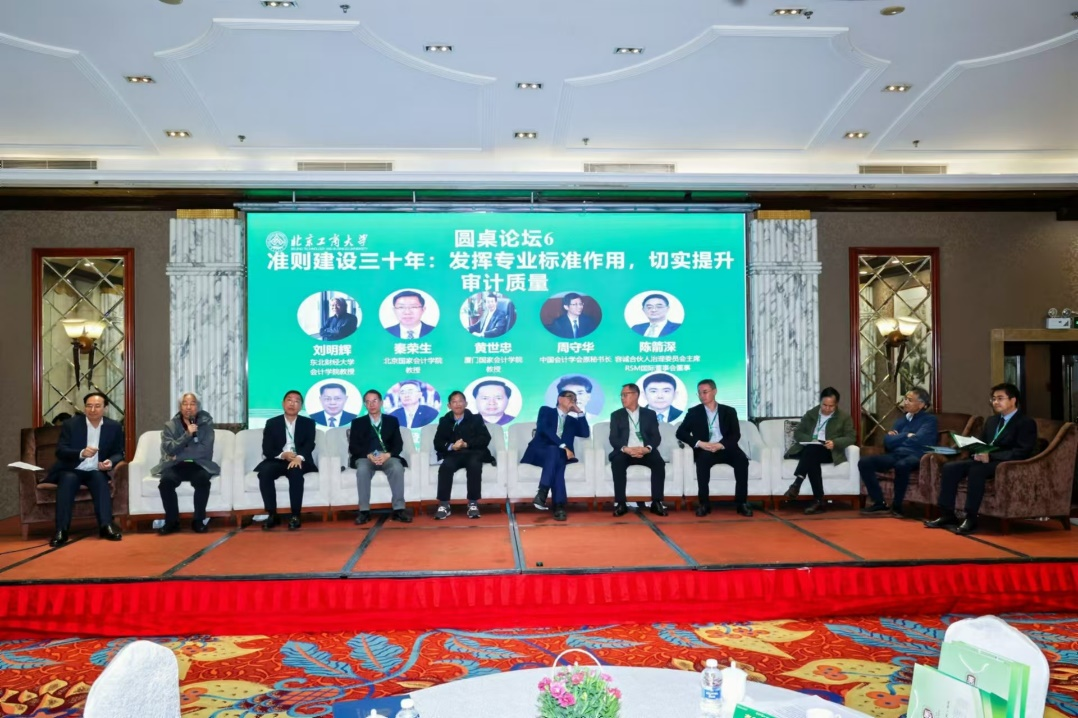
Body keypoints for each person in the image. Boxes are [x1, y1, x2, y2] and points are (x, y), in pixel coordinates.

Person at [925, 383, 1038, 535]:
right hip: (985, 459)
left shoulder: (1025, 422)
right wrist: (975, 448)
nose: (995, 402)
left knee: (976, 471)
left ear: (1013, 400)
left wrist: (991, 456)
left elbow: (1021, 452)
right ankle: (947, 514)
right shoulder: (992, 421)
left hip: (1005, 463)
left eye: (1000, 398)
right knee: (950, 468)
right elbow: (983, 443)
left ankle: (971, 518)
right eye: (993, 399)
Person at [46, 391, 124, 547]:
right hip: (72, 468)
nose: (92, 410)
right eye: (89, 406)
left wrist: (110, 462)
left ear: (105, 408)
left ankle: (106, 526)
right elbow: (60, 451)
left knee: (100, 481)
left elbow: (118, 452)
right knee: (67, 480)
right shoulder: (71, 424)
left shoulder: (114, 427)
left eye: (97, 406)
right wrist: (81, 453)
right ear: (84, 408)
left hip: (95, 469)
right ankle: (62, 530)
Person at [676, 379, 753, 517]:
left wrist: (720, 445)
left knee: (742, 461)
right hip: (705, 449)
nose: (702, 396)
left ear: (714, 391)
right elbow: (680, 432)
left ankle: (741, 503)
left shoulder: (729, 411)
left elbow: (735, 434)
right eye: (699, 393)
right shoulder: (694, 412)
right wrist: (700, 443)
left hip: (726, 447)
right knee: (702, 463)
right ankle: (704, 504)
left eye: (705, 392)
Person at [858, 387, 938, 517]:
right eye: (905, 399)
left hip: (916, 455)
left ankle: (897, 506)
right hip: (896, 454)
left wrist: (897, 438)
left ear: (921, 404)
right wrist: (906, 435)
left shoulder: (929, 420)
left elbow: (920, 441)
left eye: (910, 400)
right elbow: (887, 442)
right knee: (865, 462)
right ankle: (879, 502)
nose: (905, 402)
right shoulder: (901, 421)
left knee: (902, 465)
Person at [780, 387, 856, 514]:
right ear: (820, 402)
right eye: (824, 405)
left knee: (811, 453)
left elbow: (851, 437)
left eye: (831, 406)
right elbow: (798, 433)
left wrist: (835, 443)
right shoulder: (811, 414)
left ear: (836, 404)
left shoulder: (844, 417)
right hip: (809, 447)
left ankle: (797, 484)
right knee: (812, 453)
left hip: (829, 450)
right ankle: (818, 500)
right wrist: (811, 440)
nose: (827, 409)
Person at [153, 392, 219, 535]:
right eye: (185, 404)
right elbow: (169, 448)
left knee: (203, 480)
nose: (188, 407)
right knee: (166, 482)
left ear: (198, 406)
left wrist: (178, 455)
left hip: (199, 464)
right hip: (176, 465)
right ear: (180, 406)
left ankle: (198, 521)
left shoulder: (206, 424)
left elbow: (205, 450)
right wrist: (187, 435)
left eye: (192, 404)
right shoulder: (170, 425)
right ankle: (172, 521)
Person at [523, 390, 590, 521]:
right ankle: (558, 505)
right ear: (559, 399)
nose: (573, 400)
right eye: (570, 397)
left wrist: (580, 413)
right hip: (539, 452)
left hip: (559, 456)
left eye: (575, 399)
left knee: (558, 461)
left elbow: (585, 433)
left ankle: (543, 495)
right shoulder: (546, 411)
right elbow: (545, 430)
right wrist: (564, 447)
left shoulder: (572, 421)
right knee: (554, 451)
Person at [256, 390, 317, 530]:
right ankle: (272, 514)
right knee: (265, 473)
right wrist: (283, 455)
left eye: (296, 401)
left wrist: (299, 458)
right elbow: (267, 449)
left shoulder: (308, 423)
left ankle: (295, 515)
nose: (292, 404)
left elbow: (310, 444)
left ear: (301, 406)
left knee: (296, 472)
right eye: (289, 400)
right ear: (283, 403)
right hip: (279, 459)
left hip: (299, 459)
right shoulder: (272, 423)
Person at [349, 389, 412, 524]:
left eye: (375, 401)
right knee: (362, 470)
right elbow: (353, 447)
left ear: (381, 402)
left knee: (397, 467)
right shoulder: (357, 423)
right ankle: (364, 511)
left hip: (387, 457)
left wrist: (388, 455)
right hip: (366, 457)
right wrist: (368, 455)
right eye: (368, 402)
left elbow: (398, 444)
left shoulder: (391, 421)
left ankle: (399, 509)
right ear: (365, 405)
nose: (371, 404)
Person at [432, 391, 495, 520]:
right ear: (449, 405)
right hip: (454, 454)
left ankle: (473, 503)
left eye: (460, 401)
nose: (458, 404)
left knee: (475, 465)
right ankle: (444, 504)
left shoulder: (476, 419)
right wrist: (451, 446)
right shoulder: (445, 421)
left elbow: (485, 438)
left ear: (466, 403)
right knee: (445, 467)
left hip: (473, 453)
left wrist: (467, 444)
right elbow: (438, 442)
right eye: (454, 402)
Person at [608, 383, 667, 517]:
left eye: (625, 395)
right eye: (621, 395)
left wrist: (647, 449)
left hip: (644, 451)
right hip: (625, 451)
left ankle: (656, 502)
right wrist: (626, 449)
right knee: (617, 463)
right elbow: (613, 438)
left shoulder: (649, 414)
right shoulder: (616, 415)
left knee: (659, 463)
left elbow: (656, 437)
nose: (622, 398)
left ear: (635, 395)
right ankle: (621, 503)